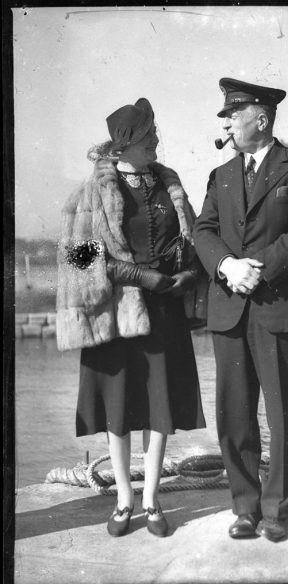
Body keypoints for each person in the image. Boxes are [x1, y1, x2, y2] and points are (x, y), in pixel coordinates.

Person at [56, 98, 206, 537]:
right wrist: (147, 278)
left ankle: (152, 498)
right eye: (149, 136)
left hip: (165, 316)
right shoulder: (86, 197)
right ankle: (124, 499)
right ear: (125, 144)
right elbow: (81, 262)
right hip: (116, 319)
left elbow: (191, 241)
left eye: (155, 133)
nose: (157, 141)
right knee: (117, 413)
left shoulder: (170, 186)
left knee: (161, 408)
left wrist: (188, 273)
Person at [193, 78, 288, 542]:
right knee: (234, 413)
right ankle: (245, 507)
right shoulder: (221, 175)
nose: (227, 122)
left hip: (278, 308)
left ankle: (278, 510)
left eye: (233, 114)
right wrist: (228, 266)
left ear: (260, 118)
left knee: (283, 413)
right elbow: (203, 231)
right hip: (230, 309)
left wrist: (259, 269)